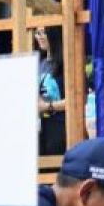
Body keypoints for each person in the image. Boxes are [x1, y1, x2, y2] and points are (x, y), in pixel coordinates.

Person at [35, 26, 68, 156]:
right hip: (38, 130)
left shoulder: (66, 63)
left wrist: (47, 106)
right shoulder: (38, 63)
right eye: (38, 33)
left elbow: (78, 100)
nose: (40, 37)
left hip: (59, 129)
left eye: (44, 33)